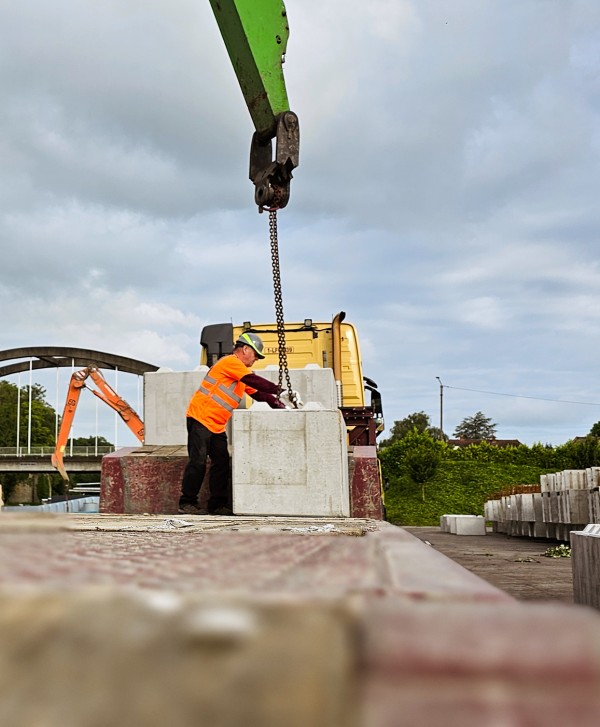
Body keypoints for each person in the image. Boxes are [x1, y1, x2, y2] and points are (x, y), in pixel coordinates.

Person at [178, 332, 286, 516]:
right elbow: (254, 381)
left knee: (221, 463)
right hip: (200, 418)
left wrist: (280, 404)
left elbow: (258, 394)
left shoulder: (239, 375)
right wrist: (280, 390)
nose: (256, 360)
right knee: (198, 461)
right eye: (256, 355)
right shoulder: (230, 362)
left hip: (217, 425)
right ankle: (187, 503)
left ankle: (217, 505)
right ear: (245, 349)